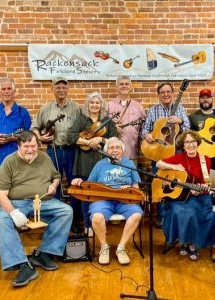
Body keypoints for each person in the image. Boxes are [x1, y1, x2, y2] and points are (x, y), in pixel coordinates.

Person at [0, 130, 73, 287]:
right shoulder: (9, 161)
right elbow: (0, 193)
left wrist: (54, 185)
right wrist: (13, 212)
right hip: (18, 203)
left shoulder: (44, 157)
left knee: (66, 211)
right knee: (2, 219)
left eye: (33, 146)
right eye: (26, 147)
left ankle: (43, 254)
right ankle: (22, 264)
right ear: (19, 146)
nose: (30, 150)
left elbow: (56, 176)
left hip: (43, 201)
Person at [71, 137, 143, 266]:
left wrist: (129, 189)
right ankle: (104, 248)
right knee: (97, 217)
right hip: (103, 200)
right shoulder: (100, 165)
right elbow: (90, 184)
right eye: (111, 147)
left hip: (124, 200)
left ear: (122, 150)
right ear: (106, 150)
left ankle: (121, 248)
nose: (114, 150)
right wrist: (78, 182)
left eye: (118, 147)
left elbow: (136, 189)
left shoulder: (129, 164)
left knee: (137, 215)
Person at [156, 130, 215, 260]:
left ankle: (192, 244)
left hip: (199, 197)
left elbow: (206, 182)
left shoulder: (204, 159)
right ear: (183, 145)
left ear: (197, 143)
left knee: (194, 213)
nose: (190, 145)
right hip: (180, 197)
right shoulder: (179, 157)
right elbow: (158, 163)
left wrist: (200, 189)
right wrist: (175, 167)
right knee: (177, 210)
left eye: (193, 141)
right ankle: (185, 241)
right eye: (187, 142)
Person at [31, 77, 82, 232]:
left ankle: (74, 220)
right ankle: (56, 221)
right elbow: (34, 128)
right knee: (54, 185)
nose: (61, 90)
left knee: (75, 185)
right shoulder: (45, 109)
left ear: (68, 89)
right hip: (54, 151)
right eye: (57, 87)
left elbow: (84, 128)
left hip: (73, 151)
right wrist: (40, 137)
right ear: (52, 89)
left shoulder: (76, 108)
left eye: (64, 87)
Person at [141, 81, 190, 228]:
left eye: (168, 91)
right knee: (159, 183)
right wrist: (147, 135)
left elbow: (188, 130)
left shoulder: (180, 109)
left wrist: (180, 121)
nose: (166, 94)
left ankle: (174, 215)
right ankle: (161, 217)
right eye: (162, 92)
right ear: (158, 95)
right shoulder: (153, 110)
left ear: (173, 94)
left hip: (176, 153)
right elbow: (144, 130)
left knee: (175, 183)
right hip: (157, 153)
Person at [67, 92, 117, 234]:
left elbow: (114, 141)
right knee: (86, 195)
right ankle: (88, 225)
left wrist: (100, 140)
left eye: (97, 103)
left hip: (101, 161)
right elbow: (71, 136)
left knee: (101, 194)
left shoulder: (107, 120)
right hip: (83, 161)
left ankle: (100, 224)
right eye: (92, 102)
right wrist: (88, 141)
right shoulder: (82, 119)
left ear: (101, 105)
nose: (94, 105)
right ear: (87, 105)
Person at [106, 75, 145, 165]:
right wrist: (113, 127)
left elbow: (144, 129)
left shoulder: (138, 107)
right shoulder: (108, 105)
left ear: (131, 87)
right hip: (111, 155)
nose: (124, 86)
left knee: (131, 178)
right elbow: (102, 128)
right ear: (116, 87)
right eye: (121, 84)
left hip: (131, 154)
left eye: (126, 84)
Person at [0, 77, 31, 173]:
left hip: (17, 163)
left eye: (9, 89)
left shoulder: (23, 112)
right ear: (0, 91)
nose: (6, 91)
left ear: (14, 91)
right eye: (3, 89)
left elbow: (30, 136)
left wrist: (15, 137)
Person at [188, 88, 215, 175]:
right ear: (199, 100)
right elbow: (189, 136)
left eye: (208, 97)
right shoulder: (192, 117)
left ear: (212, 99)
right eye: (202, 98)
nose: (205, 100)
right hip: (199, 155)